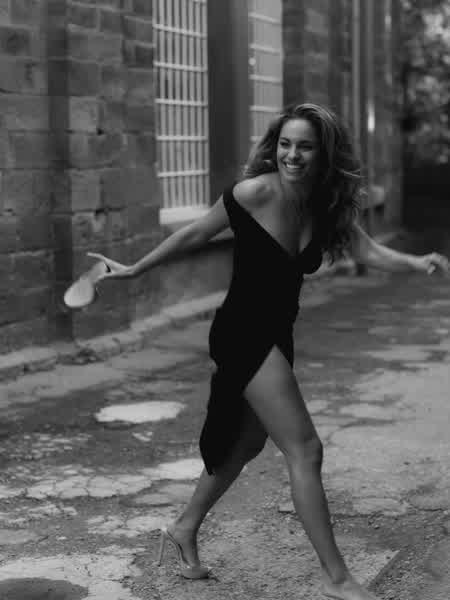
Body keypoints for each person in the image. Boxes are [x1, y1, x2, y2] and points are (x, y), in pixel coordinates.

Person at [88, 103, 449, 600]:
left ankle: (184, 527)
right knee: (306, 449)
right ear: (274, 147)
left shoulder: (325, 203)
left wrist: (416, 262)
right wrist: (134, 270)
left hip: (277, 331)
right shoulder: (255, 192)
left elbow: (366, 250)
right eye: (285, 144)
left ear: (324, 154)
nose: (292, 155)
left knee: (245, 444)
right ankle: (337, 579)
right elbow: (195, 232)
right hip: (243, 330)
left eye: (305, 146)